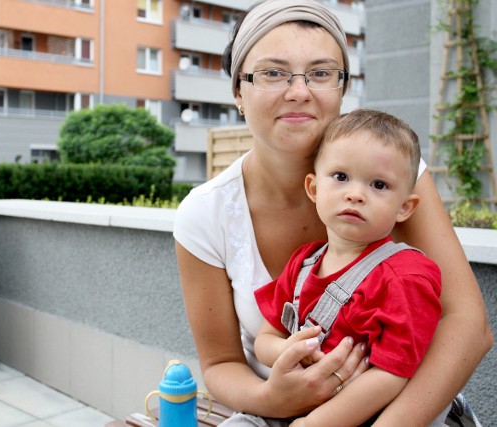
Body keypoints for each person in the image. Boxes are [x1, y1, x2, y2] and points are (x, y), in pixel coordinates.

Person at [173, 0, 493, 425]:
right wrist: (275, 400)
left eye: (321, 73)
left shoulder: (394, 178)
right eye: (272, 73)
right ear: (238, 90)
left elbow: (468, 323)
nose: (299, 91)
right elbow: (219, 363)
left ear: (342, 87)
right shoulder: (206, 213)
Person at [251, 109, 442, 427]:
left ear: (405, 207)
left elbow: (393, 375)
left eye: (379, 184)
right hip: (289, 405)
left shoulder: (406, 276)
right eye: (341, 177)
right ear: (314, 189)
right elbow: (265, 339)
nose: (355, 194)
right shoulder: (303, 262)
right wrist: (289, 350)